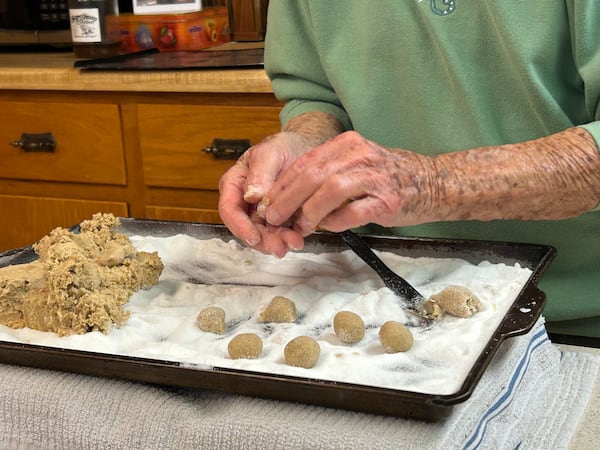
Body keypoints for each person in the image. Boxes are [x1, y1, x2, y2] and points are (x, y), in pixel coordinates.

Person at [218, 1, 600, 338]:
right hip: (382, 305)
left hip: (575, 322)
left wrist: (434, 185)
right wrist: (304, 146)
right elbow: (316, 94)